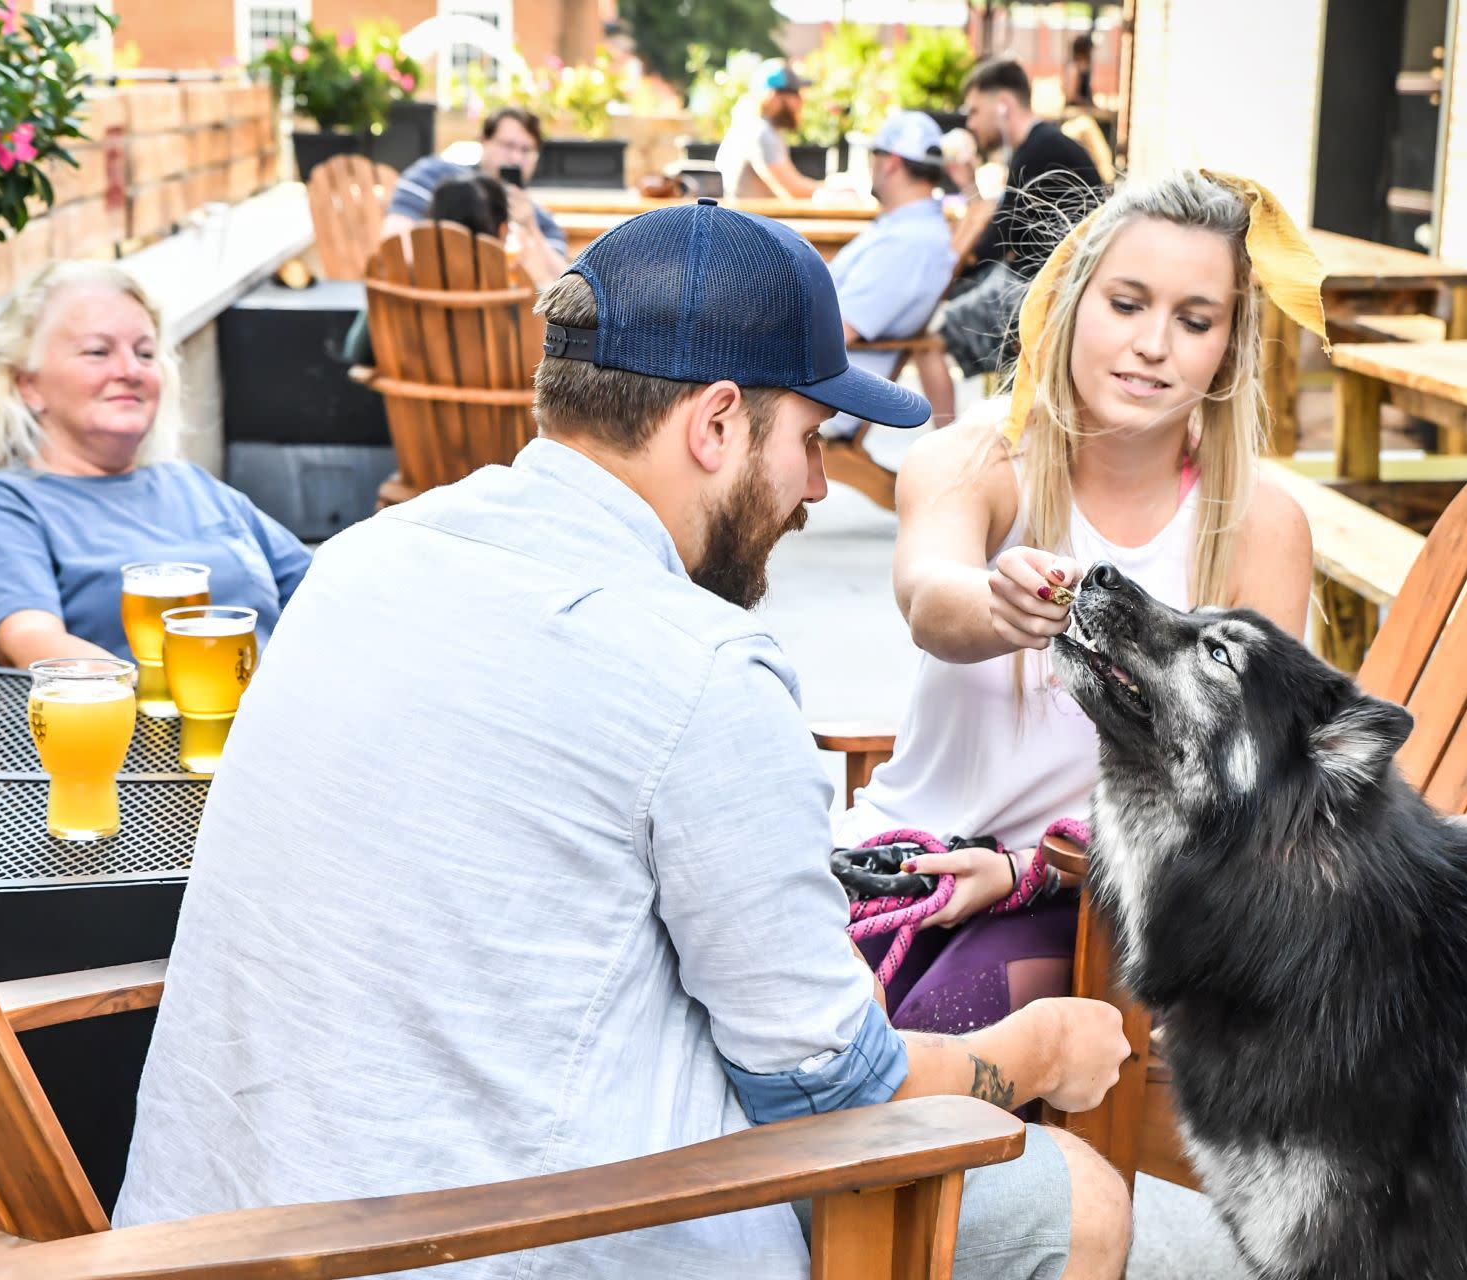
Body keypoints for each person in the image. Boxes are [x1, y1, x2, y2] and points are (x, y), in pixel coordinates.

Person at [115, 199, 1135, 1279]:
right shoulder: (701, 670)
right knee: (1076, 1194)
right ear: (717, 423)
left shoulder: (360, 559)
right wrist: (1040, 1047)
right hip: (496, 1241)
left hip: (207, 1234)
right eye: (808, 438)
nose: (817, 486)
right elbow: (840, 1093)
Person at [835, 170, 1321, 1034]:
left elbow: (1248, 785)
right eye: (1126, 304)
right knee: (790, 1034)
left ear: (1228, 349)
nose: (1154, 345)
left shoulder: (1259, 525)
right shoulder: (974, 462)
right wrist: (998, 607)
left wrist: (1031, 868)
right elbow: (928, 596)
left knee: (937, 1034)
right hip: (903, 864)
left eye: (1195, 320)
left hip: (1092, 896)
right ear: (1069, 303)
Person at [0, 261, 311, 667]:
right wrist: (165, 706)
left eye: (145, 353)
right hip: (146, 724)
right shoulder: (2, 506)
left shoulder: (191, 485)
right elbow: (28, 641)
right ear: (28, 384)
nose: (130, 371)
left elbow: (321, 587)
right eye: (97, 352)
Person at [822, 111, 961, 439]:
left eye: (874, 156)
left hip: (823, 396)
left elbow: (833, 333)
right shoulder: (909, 229)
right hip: (825, 384)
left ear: (892, 163)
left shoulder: (909, 244)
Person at [950, 56, 1105, 275]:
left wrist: (969, 190)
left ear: (1004, 105)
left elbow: (991, 247)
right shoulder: (1038, 145)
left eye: (975, 111)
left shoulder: (1039, 151)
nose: (970, 123)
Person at [384, 106, 571, 287]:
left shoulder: (541, 221)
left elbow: (564, 286)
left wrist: (531, 227)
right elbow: (393, 248)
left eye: (526, 150)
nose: (516, 158)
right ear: (484, 141)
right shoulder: (432, 176)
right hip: (422, 301)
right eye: (508, 145)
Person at [342, 171, 511, 367]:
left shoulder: (398, 283)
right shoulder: (514, 294)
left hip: (407, 397)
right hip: (497, 398)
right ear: (502, 231)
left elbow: (356, 352)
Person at [716, 59, 824, 201]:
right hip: (749, 221)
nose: (801, 101)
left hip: (747, 218)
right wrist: (835, 190)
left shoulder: (751, 126)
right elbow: (793, 190)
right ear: (773, 95)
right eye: (795, 93)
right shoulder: (761, 133)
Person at [1063, 34, 1095, 109]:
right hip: (1075, 111)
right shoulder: (1074, 68)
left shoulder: (1082, 68)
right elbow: (1071, 96)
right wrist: (1086, 103)